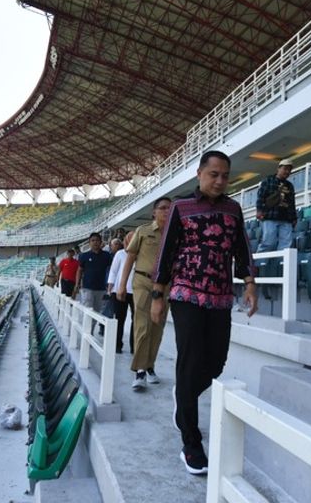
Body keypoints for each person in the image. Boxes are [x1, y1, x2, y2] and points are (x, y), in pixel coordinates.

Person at [152, 150, 258, 475]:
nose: (219, 180)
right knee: (191, 359)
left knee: (215, 363)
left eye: (225, 175)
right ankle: (191, 443)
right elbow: (166, 250)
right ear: (200, 174)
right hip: (185, 293)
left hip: (221, 296)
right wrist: (158, 293)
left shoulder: (233, 208)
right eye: (213, 174)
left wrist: (250, 283)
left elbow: (242, 248)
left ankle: (182, 396)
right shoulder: (182, 208)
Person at [119, 198, 171, 391]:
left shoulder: (175, 234)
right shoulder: (142, 231)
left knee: (157, 328)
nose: (167, 211)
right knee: (142, 326)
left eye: (170, 208)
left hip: (165, 286)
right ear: (154, 212)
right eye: (163, 208)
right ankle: (139, 371)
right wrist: (122, 285)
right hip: (142, 282)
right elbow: (130, 258)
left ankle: (150, 367)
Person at [74, 232, 113, 336]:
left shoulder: (106, 256)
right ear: (89, 243)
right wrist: (77, 284)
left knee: (96, 313)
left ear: (101, 242)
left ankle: (89, 332)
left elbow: (112, 271)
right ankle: (86, 334)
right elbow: (79, 270)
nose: (95, 242)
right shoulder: (84, 256)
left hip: (101, 289)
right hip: (87, 288)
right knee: (88, 311)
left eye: (97, 240)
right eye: (93, 240)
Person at [255, 158, 298, 252]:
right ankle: (259, 265)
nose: (287, 171)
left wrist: (294, 218)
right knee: (268, 242)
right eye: (285, 168)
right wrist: (259, 211)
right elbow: (260, 196)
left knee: (286, 245)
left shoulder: (290, 186)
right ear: (278, 168)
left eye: (289, 170)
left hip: (286, 218)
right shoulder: (268, 180)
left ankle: (281, 265)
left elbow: (292, 203)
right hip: (270, 216)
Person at [106, 236, 134, 354]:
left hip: (136, 292)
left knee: (137, 320)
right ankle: (118, 345)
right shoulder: (120, 254)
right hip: (119, 290)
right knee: (120, 319)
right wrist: (110, 287)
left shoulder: (141, 254)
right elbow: (113, 271)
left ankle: (135, 347)